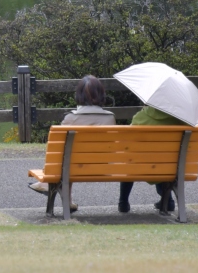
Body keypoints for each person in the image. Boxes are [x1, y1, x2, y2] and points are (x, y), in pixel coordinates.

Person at [30, 75, 114, 209]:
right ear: (101, 94)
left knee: (67, 157)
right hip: (103, 167)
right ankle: (67, 203)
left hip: (73, 167)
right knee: (72, 158)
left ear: (79, 95)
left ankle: (46, 185)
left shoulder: (71, 118)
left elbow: (59, 150)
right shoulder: (110, 118)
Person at [119, 105, 188, 214]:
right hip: (169, 166)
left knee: (129, 161)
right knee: (162, 161)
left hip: (140, 164)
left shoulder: (141, 117)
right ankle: (168, 200)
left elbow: (129, 142)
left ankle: (123, 202)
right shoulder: (180, 119)